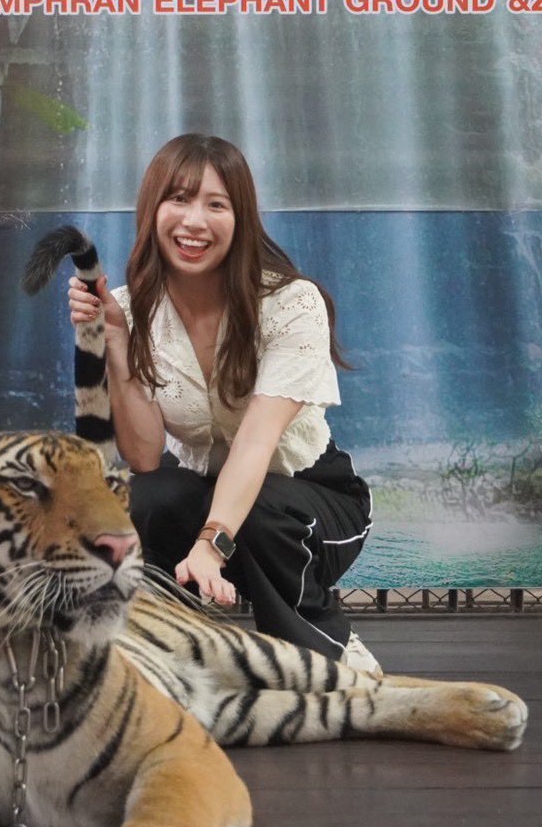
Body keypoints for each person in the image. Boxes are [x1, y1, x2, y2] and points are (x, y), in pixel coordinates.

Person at [68, 133, 380, 674]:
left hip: (308, 501)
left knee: (258, 512)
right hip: (208, 489)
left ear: (242, 219)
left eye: (216, 205)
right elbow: (144, 455)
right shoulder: (127, 308)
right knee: (147, 496)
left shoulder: (291, 303)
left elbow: (256, 442)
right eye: (179, 199)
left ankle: (327, 655)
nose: (195, 221)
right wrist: (115, 340)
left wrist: (212, 543)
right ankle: (170, 651)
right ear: (153, 209)